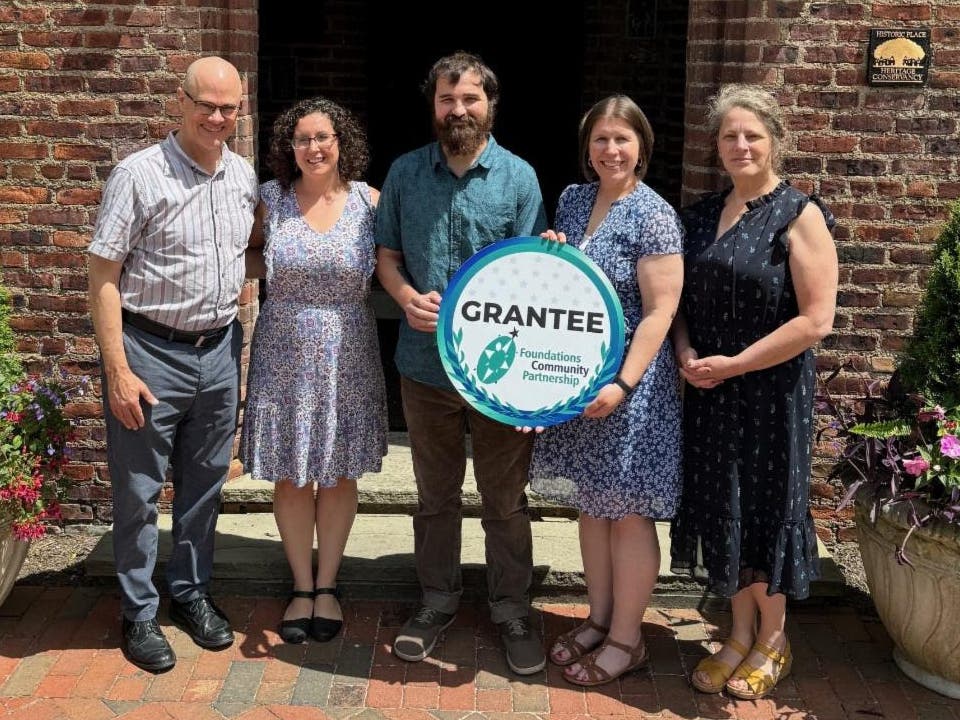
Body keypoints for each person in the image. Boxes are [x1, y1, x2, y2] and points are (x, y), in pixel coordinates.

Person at [374, 51, 549, 675]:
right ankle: (436, 599)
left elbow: (535, 278)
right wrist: (401, 294)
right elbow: (387, 256)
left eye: (469, 99)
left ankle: (511, 607)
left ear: (489, 104)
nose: (458, 111)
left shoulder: (520, 179)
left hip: (499, 375)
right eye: (447, 100)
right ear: (434, 107)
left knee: (505, 499)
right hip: (424, 366)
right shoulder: (404, 173)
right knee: (434, 496)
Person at [88, 56, 258, 672]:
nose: (216, 117)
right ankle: (137, 612)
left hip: (217, 350)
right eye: (205, 104)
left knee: (204, 485)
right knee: (137, 492)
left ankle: (189, 593)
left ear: (239, 109)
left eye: (228, 107)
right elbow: (103, 274)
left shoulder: (241, 176)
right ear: (179, 101)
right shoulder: (139, 175)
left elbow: (255, 250)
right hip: (150, 351)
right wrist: (117, 369)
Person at [669, 84, 838, 700]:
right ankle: (737, 634)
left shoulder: (798, 214)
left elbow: (815, 321)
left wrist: (737, 363)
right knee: (724, 503)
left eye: (752, 136)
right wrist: (686, 351)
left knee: (765, 505)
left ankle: (774, 640)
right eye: (729, 136)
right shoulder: (698, 214)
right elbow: (678, 301)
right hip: (712, 387)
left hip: (770, 390)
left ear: (775, 143)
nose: (740, 145)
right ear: (716, 146)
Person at [527, 96, 684, 686]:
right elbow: (564, 284)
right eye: (600, 140)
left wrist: (623, 382)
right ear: (586, 147)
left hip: (631, 387)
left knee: (628, 516)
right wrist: (551, 251)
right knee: (591, 508)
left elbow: (659, 312)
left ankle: (627, 639)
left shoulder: (653, 214)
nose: (610, 151)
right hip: (578, 378)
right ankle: (598, 619)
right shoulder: (572, 199)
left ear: (641, 145)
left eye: (622, 139)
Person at [240, 97, 388, 644]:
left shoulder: (369, 202)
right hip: (283, 349)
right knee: (292, 472)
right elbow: (245, 254)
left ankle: (329, 584)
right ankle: (301, 585)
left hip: (348, 349)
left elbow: (401, 260)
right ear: (290, 148)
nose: (314, 147)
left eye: (323, 136)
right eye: (302, 139)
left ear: (341, 142)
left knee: (339, 471)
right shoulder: (270, 200)